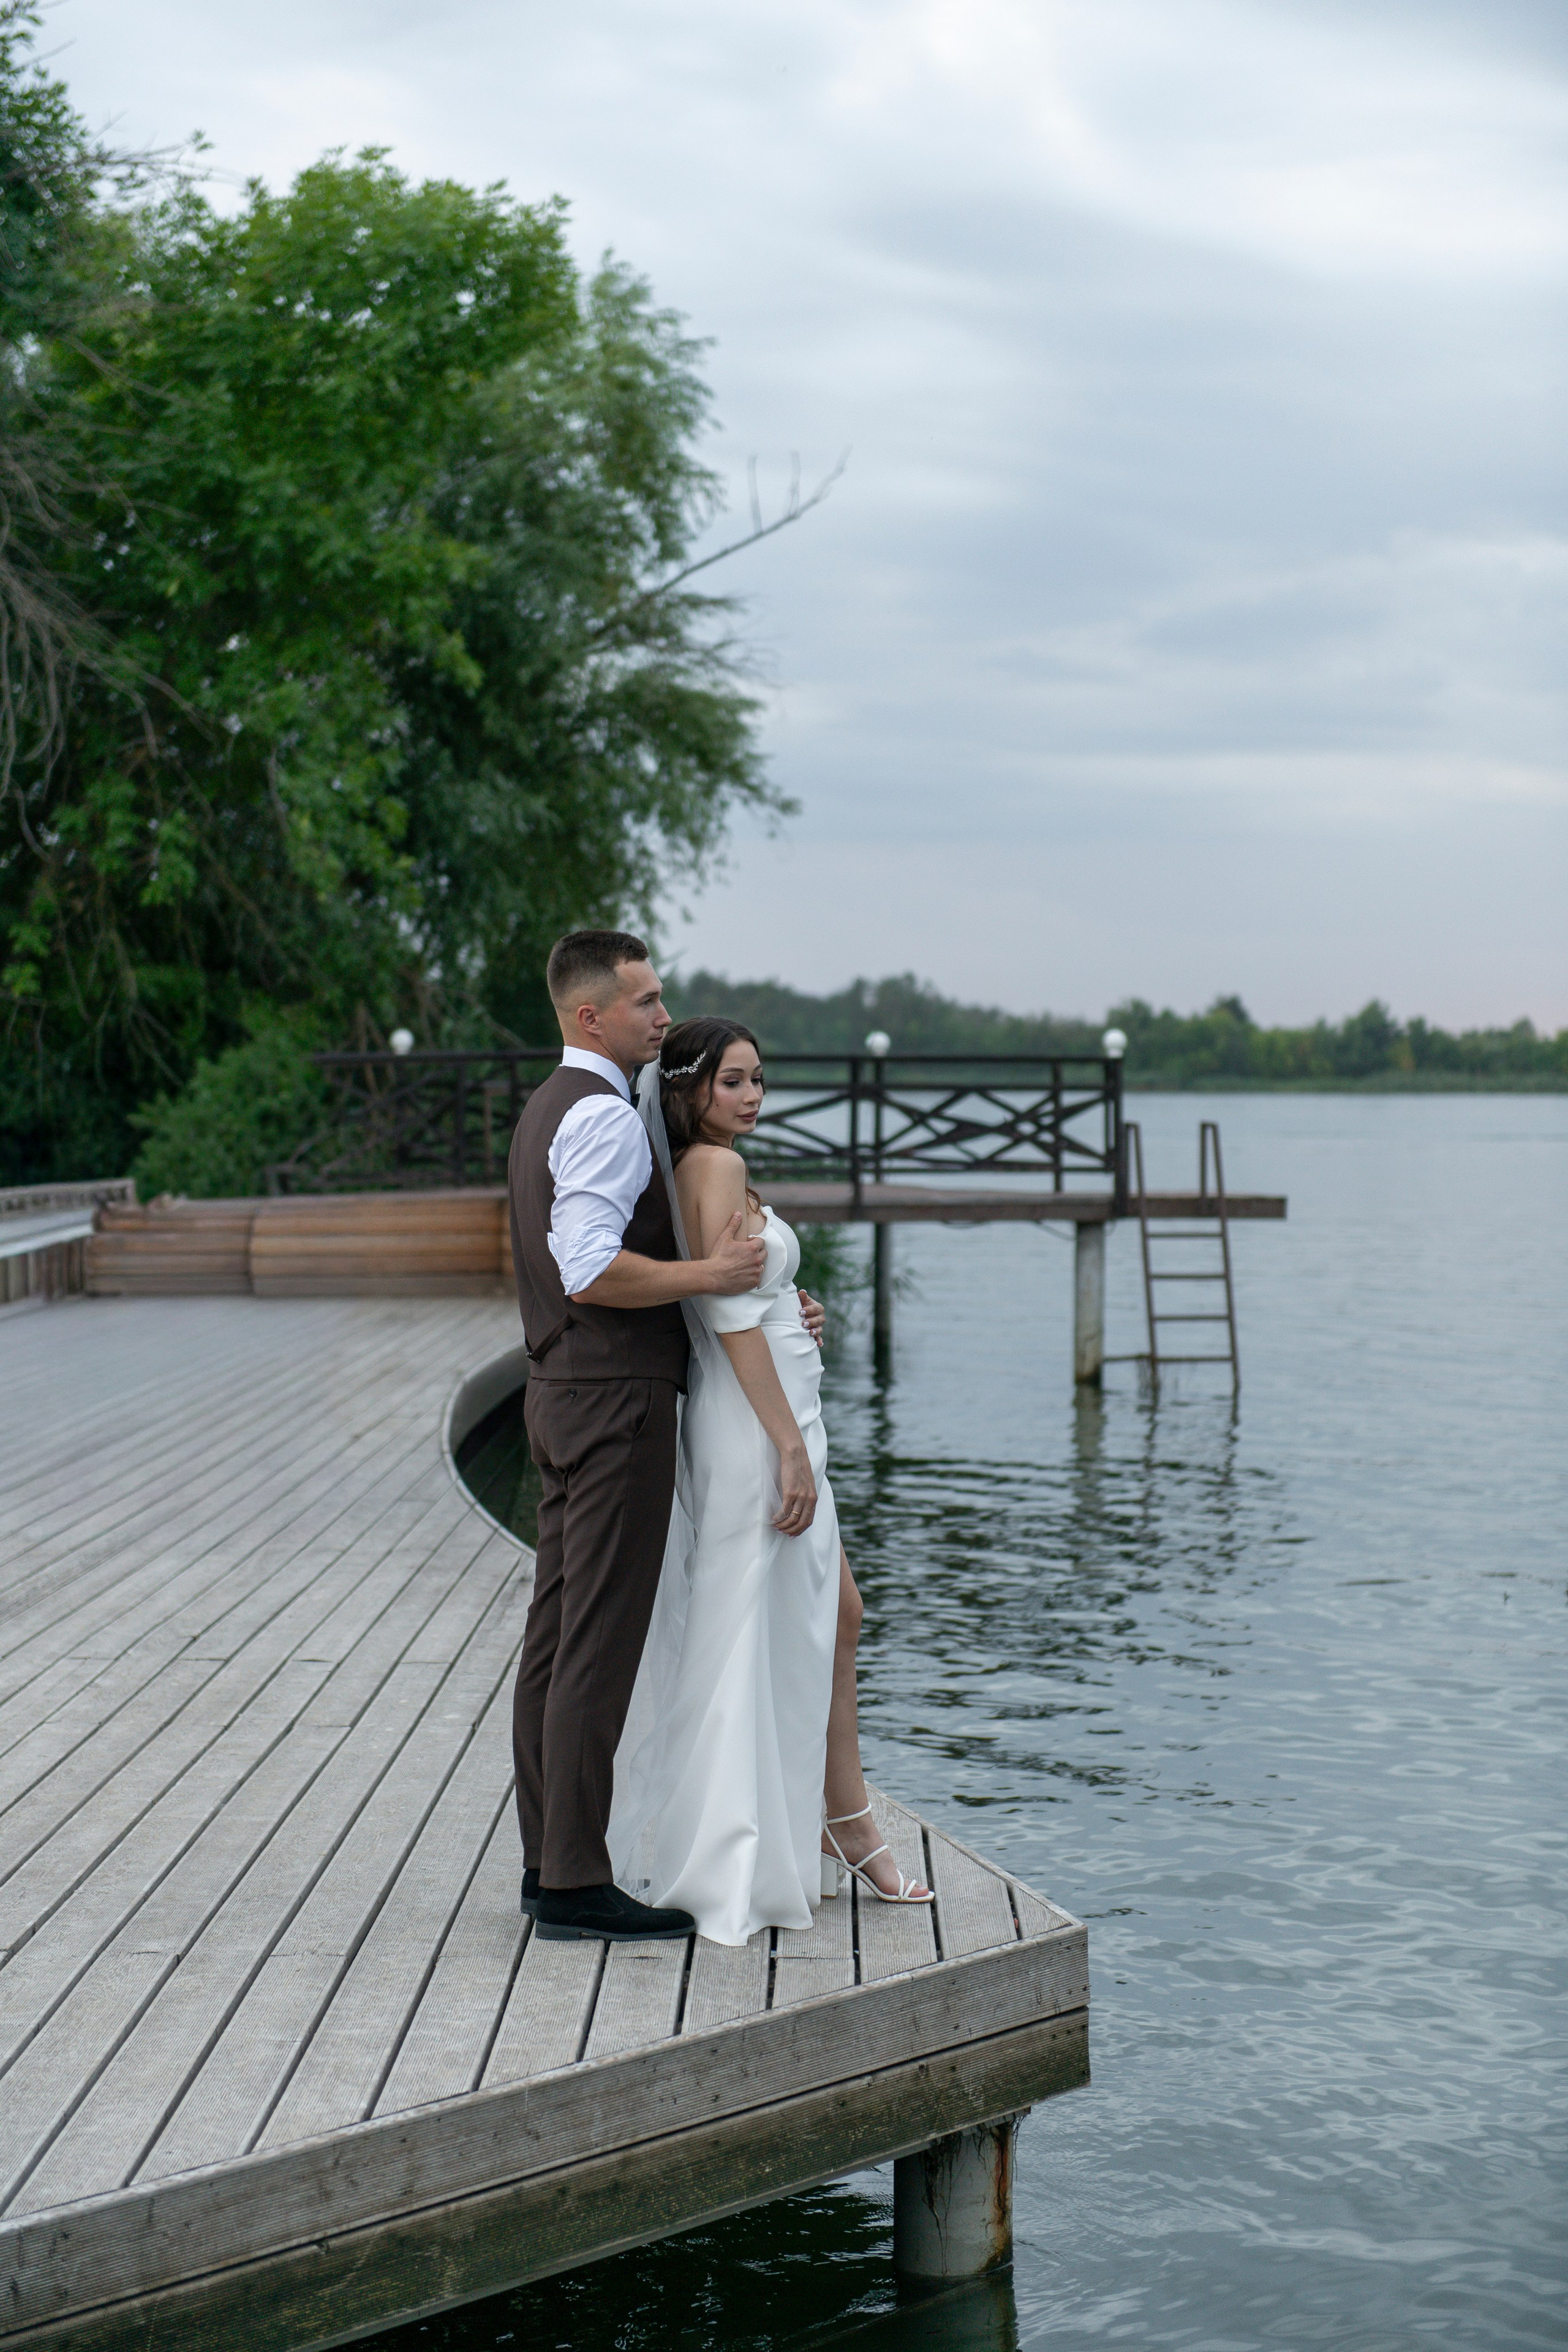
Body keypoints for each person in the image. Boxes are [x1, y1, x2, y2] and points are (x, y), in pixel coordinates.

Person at [608, 1017, 932, 1945]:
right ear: (692, 1092)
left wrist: (799, 1306)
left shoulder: (721, 1165)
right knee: (757, 1619)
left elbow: (743, 1293)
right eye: (734, 1083)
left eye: (759, 1080)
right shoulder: (709, 1166)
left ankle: (836, 1818)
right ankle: (765, 1840)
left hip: (782, 1412)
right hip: (759, 1428)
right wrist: (786, 1446)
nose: (753, 1097)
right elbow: (725, 1313)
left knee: (834, 1613)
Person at [507, 933, 767, 1942]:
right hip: (613, 1398)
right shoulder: (606, 1121)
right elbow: (587, 1268)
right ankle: (575, 1881)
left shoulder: (546, 1110)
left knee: (558, 1638)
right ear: (592, 1017)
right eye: (647, 1003)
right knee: (598, 1645)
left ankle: (548, 1863)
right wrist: (711, 1278)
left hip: (561, 1391)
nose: (664, 1019)